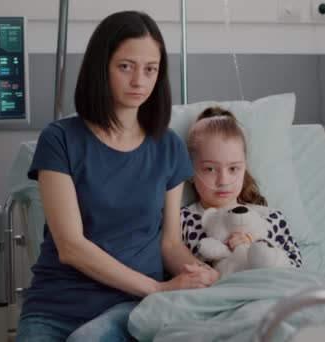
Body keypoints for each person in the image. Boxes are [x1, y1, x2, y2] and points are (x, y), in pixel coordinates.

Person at [16, 11, 219, 342]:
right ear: (102, 68)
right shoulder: (60, 139)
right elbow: (71, 247)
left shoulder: (167, 147)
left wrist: (201, 274)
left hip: (131, 305)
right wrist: (159, 287)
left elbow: (169, 243)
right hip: (55, 307)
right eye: (126, 67)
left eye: (150, 69)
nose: (140, 81)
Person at [180, 107, 303, 272]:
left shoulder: (271, 219)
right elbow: (171, 269)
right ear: (190, 171)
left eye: (233, 169)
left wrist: (254, 248)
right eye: (210, 169)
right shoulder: (181, 222)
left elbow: (295, 269)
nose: (223, 181)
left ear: (244, 168)